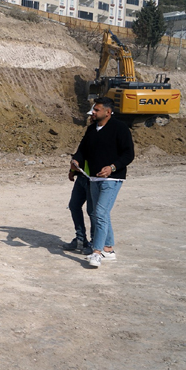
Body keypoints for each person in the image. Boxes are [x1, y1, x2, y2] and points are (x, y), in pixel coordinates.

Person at [70, 97, 134, 268]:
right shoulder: (91, 129)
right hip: (93, 179)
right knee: (101, 213)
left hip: (112, 179)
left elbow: (129, 154)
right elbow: (82, 150)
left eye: (97, 110)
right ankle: (108, 249)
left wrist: (112, 167)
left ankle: (96, 252)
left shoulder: (120, 128)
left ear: (108, 112)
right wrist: (75, 161)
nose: (94, 112)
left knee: (99, 213)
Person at [63, 110, 94, 255]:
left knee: (93, 212)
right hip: (82, 176)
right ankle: (81, 239)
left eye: (93, 114)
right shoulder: (90, 131)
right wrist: (73, 170)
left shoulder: (106, 133)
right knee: (74, 205)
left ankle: (95, 243)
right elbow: (81, 152)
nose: (90, 117)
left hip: (94, 179)